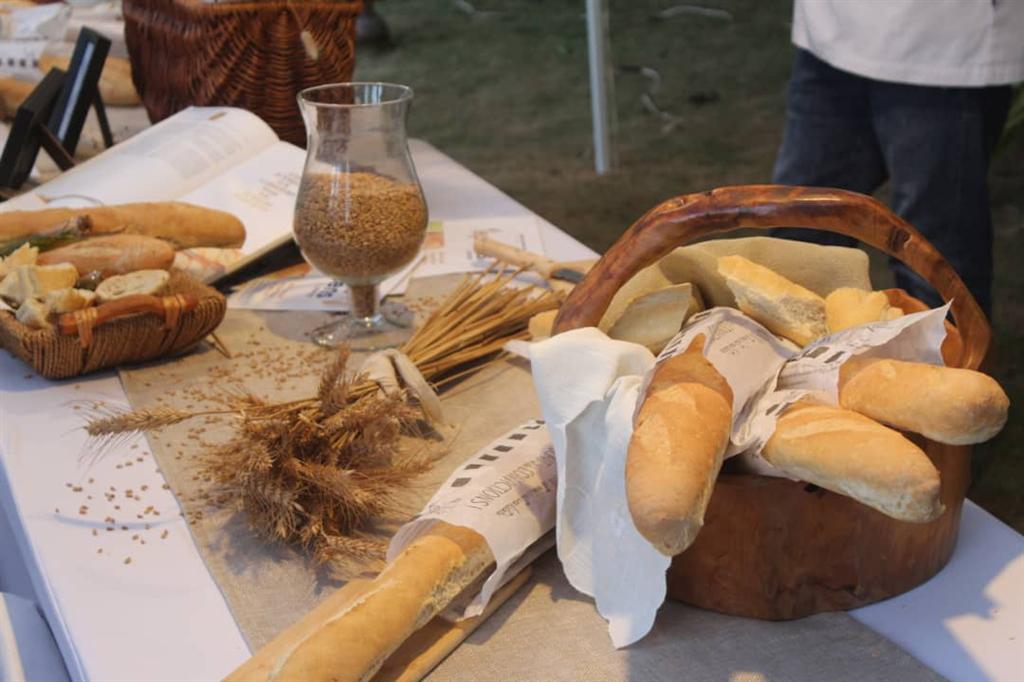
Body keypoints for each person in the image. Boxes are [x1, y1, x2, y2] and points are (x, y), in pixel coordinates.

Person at [771, 0, 1024, 314]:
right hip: (830, 31)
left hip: (945, 45)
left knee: (931, 267)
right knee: (796, 240)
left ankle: (942, 363)